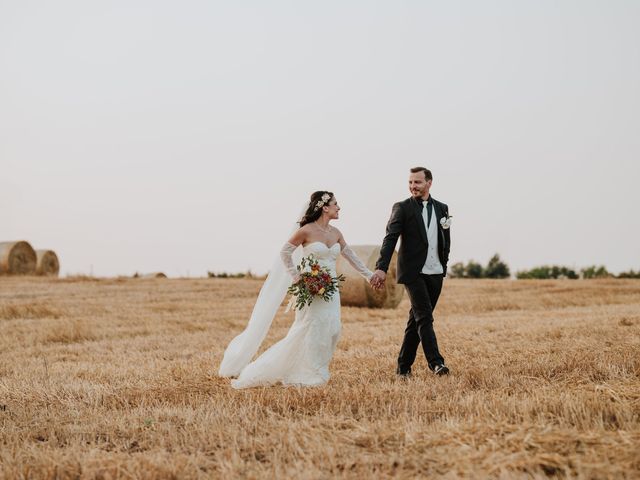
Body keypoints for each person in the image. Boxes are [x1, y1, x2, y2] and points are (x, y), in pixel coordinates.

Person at [219, 191, 374, 388]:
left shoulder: (336, 233)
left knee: (331, 329)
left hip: (331, 289)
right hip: (311, 288)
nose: (339, 207)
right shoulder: (306, 230)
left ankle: (317, 367)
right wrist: (297, 276)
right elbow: (285, 252)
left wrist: (369, 276)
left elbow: (351, 256)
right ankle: (309, 373)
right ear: (324, 207)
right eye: (335, 204)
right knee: (311, 328)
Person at [370, 167, 451, 377]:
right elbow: (390, 238)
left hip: (436, 272)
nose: (413, 186)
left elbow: (445, 240)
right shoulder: (402, 208)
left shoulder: (442, 209)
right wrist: (381, 267)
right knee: (425, 317)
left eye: (417, 182)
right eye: (410, 182)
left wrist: (444, 265)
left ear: (429, 183)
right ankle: (436, 363)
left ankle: (403, 368)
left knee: (415, 320)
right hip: (413, 272)